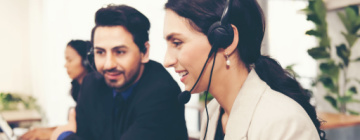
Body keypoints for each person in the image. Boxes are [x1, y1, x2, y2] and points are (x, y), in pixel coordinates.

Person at [163, 0, 325, 140]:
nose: (167, 61)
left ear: (226, 41)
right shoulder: (212, 112)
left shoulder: (284, 123)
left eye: (177, 43)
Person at [51, 4, 188, 140]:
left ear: (144, 52)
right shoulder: (91, 84)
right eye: (100, 52)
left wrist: (64, 136)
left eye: (120, 52)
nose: (108, 64)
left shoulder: (162, 92)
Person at [20, 40, 93, 140]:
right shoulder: (78, 90)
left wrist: (50, 134)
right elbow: (76, 128)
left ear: (86, 61)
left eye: (70, 60)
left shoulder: (94, 94)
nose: (65, 65)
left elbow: (86, 134)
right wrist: (44, 131)